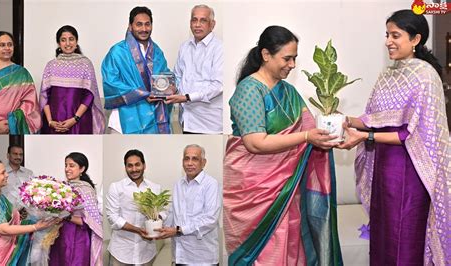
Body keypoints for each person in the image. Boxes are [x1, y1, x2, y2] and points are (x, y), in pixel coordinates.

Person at [223, 26, 342, 265]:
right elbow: (255, 143)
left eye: (295, 58)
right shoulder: (249, 89)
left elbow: (309, 127)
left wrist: (336, 128)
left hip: (287, 189)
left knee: (291, 245)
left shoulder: (288, 92)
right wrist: (307, 137)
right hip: (255, 192)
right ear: (266, 55)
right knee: (266, 253)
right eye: (287, 58)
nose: (292, 64)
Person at [338, 10, 450, 265]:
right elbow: (374, 119)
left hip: (410, 172)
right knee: (383, 234)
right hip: (383, 168)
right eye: (387, 34)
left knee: (404, 236)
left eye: (395, 35)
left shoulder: (425, 76)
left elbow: (412, 134)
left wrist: (365, 137)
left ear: (416, 39)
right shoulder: (388, 75)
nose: (388, 40)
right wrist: (344, 121)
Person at [102, 6, 172, 134]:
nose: (144, 29)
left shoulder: (156, 51)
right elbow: (110, 82)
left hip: (153, 118)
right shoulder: (117, 51)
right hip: (123, 120)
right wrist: (142, 94)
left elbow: (165, 74)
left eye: (147, 24)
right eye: (139, 24)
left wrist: (171, 86)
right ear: (130, 26)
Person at [0, 159, 57, 265]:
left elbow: (14, 220)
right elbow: (3, 229)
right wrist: (36, 227)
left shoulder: (0, 196)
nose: (7, 175)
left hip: (2, 252)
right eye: (2, 173)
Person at [157, 144, 221, 265]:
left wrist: (178, 230)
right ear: (182, 162)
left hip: (202, 259)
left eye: (195, 159)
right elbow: (173, 213)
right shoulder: (178, 184)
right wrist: (158, 219)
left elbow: (210, 219)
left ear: (204, 162)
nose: (189, 163)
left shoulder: (211, 184)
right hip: (180, 256)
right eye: (186, 158)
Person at [166, 5, 223, 134]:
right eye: (194, 20)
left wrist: (187, 97)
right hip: (186, 120)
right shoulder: (184, 47)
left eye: (203, 20)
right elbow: (178, 76)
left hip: (209, 123)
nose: (197, 24)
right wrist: (168, 89)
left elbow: (218, 85)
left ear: (212, 24)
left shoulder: (220, 49)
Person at [40, 25, 105, 134]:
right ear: (59, 43)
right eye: (63, 40)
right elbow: (45, 96)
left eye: (71, 39)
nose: (68, 43)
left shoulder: (85, 64)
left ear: (76, 41)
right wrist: (50, 121)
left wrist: (75, 119)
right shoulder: (51, 65)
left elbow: (89, 95)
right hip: (54, 123)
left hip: (79, 122)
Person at [106, 149, 163, 266]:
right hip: (121, 252)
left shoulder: (155, 188)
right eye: (130, 166)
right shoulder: (116, 187)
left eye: (137, 164)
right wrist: (138, 230)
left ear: (144, 165)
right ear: (125, 167)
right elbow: (112, 217)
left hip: (146, 253)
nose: (134, 169)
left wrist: (157, 219)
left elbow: (163, 212)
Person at [0, 31, 41, 134]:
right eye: (2, 45)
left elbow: (31, 104)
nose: (7, 48)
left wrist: (13, 122)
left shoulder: (22, 73)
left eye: (10, 45)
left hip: (13, 128)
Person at [48, 152, 103, 266]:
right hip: (60, 236)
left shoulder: (86, 190)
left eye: (71, 165)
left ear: (82, 168)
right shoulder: (62, 187)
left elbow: (89, 221)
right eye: (66, 165)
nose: (67, 169)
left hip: (78, 238)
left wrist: (66, 216)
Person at [1, 144, 34, 209]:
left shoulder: (29, 173)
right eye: (15, 154)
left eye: (21, 154)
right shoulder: (1, 173)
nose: (18, 157)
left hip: (27, 213)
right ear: (8, 155)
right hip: (6, 212)